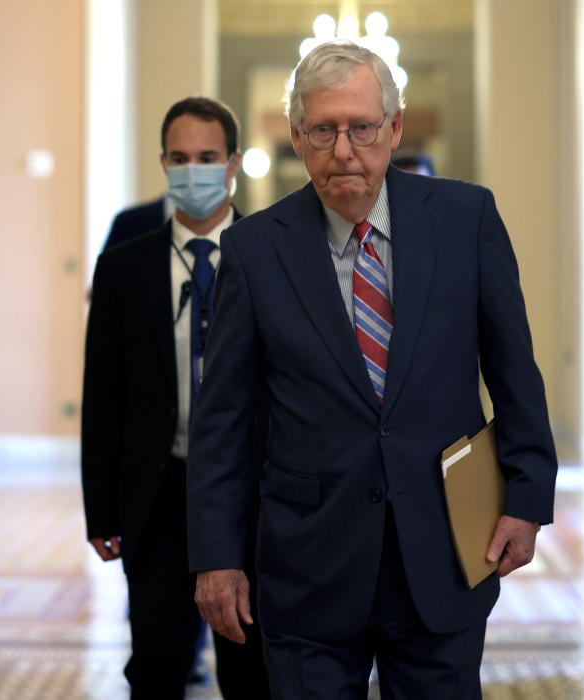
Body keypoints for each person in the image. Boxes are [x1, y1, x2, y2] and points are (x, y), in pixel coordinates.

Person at [187, 41, 558, 699]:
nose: (344, 149)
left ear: (394, 128)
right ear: (298, 138)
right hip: (308, 567)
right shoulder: (254, 250)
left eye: (361, 127)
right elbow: (222, 420)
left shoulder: (465, 220)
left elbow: (514, 373)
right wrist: (217, 557)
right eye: (323, 130)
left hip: (444, 550)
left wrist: (527, 497)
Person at [81, 96, 270, 700]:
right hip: (157, 494)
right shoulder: (122, 267)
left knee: (251, 668)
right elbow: (102, 395)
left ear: (233, 162)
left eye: (208, 157)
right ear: (163, 162)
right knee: (158, 665)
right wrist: (100, 508)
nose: (194, 170)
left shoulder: (274, 256)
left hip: (254, 496)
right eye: (181, 157)